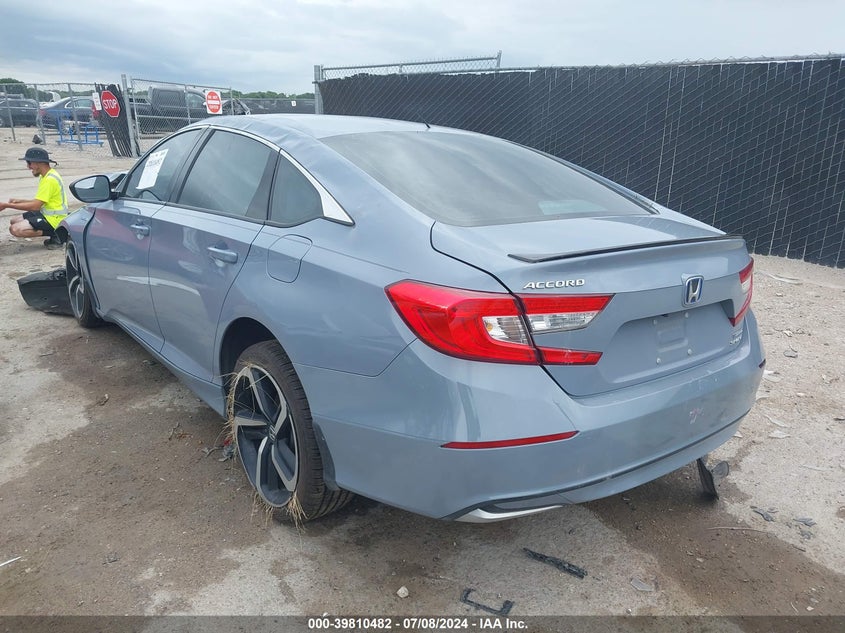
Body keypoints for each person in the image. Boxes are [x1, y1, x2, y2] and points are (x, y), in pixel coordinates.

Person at [1, 147, 69, 249]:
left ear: (38, 163)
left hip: (55, 218)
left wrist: (7, 205)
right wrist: (20, 201)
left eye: (29, 163)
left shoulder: (49, 180)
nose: (28, 167)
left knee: (15, 229)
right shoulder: (46, 175)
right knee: (14, 221)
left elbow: (35, 206)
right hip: (46, 212)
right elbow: (40, 201)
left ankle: (58, 233)